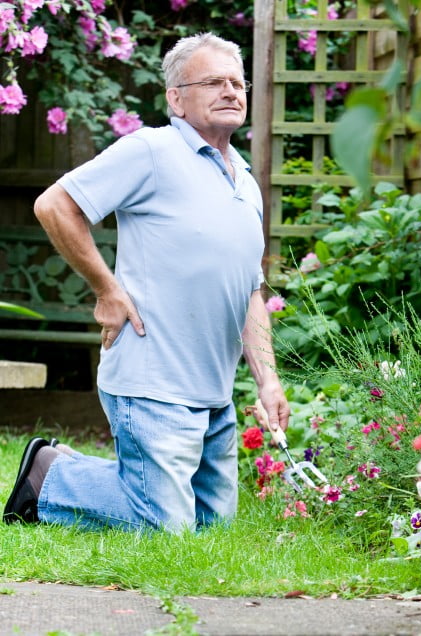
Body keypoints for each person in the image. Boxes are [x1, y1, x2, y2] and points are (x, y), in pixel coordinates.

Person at [3, 33, 290, 532]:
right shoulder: (152, 150)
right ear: (176, 98)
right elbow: (54, 205)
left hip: (214, 396)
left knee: (211, 532)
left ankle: (79, 476)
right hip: (152, 383)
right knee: (167, 534)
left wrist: (268, 381)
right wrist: (106, 289)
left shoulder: (244, 179)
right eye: (213, 82)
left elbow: (249, 291)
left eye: (237, 82)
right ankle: (50, 477)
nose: (231, 92)